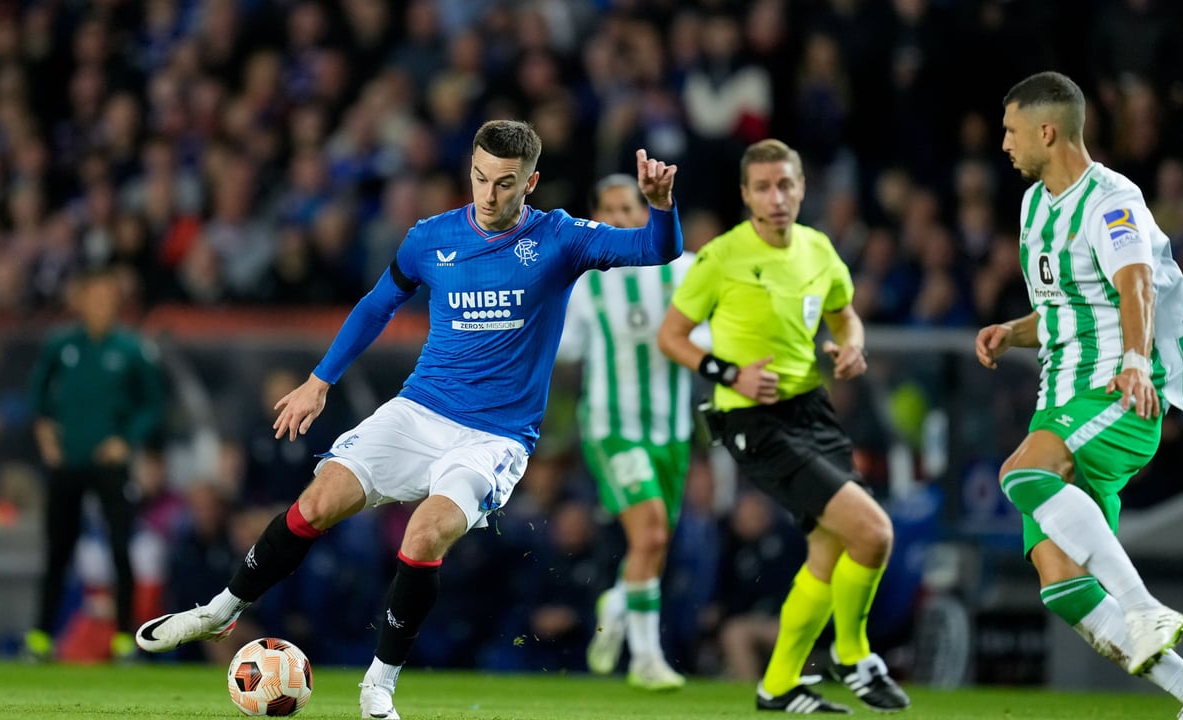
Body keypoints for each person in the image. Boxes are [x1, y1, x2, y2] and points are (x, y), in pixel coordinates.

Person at [134, 120, 682, 720]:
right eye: (479, 178)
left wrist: (661, 207)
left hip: (493, 438)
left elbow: (657, 250)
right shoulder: (430, 238)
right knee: (316, 503)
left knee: (424, 534)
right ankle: (219, 611)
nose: (489, 194)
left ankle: (379, 684)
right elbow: (377, 306)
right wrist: (319, 381)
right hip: (419, 411)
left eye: (505, 183)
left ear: (531, 183)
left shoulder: (560, 238)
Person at [977, 71, 1183, 720]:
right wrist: (1013, 332)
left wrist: (1135, 364)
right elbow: (1066, 307)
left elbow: (1135, 284)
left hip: (1120, 390)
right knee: (1062, 583)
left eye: (1011, 130)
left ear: (1047, 131)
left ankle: (1145, 607)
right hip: (1061, 398)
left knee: (1020, 475)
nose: (1003, 143)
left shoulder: (1111, 199)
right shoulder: (1034, 206)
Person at [657, 138, 909, 714]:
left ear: (801, 188)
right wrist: (731, 374)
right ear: (746, 195)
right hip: (751, 419)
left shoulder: (818, 249)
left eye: (785, 185)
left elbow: (845, 316)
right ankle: (852, 654)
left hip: (811, 410)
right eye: (764, 187)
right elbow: (671, 337)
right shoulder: (720, 257)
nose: (776, 197)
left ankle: (778, 684)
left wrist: (852, 348)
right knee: (873, 532)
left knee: (828, 550)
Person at [557, 174, 695, 690]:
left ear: (645, 211)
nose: (618, 218)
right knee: (651, 532)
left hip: (673, 430)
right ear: (595, 218)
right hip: (612, 427)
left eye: (627, 208)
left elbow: (710, 329)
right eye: (608, 211)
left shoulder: (685, 267)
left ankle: (617, 602)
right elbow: (567, 346)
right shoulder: (582, 279)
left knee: (653, 545)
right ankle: (646, 660)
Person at [26, 266, 166, 662]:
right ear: (82, 301)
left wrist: (127, 439)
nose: (102, 305)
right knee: (58, 549)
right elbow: (38, 393)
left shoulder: (131, 349)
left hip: (109, 464)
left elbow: (153, 404)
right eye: (96, 297)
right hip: (67, 461)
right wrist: (45, 435)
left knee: (121, 547)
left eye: (109, 298)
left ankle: (124, 638)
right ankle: (40, 636)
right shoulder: (62, 345)